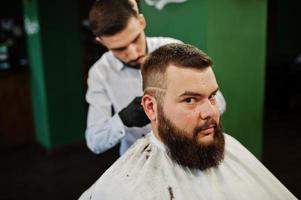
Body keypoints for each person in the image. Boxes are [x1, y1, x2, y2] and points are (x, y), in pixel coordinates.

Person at [79, 43, 297, 200]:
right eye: (190, 99)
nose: (210, 112)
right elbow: (95, 140)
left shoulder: (231, 149)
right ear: (150, 107)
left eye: (212, 96)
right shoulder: (125, 189)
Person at [85, 0, 227, 155]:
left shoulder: (172, 51)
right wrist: (122, 120)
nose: (133, 54)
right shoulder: (100, 74)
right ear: (101, 41)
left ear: (141, 22)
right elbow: (94, 142)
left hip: (186, 152)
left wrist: (183, 109)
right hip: (138, 159)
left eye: (135, 40)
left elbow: (219, 102)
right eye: (119, 49)